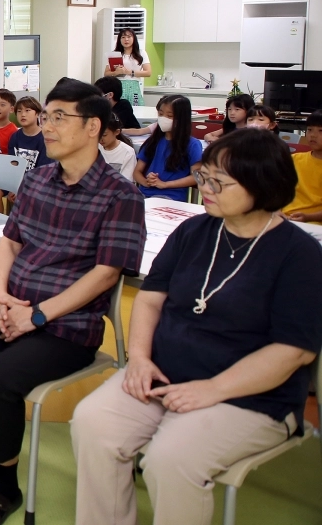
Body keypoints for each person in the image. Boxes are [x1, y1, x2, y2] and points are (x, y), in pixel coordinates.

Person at [0, 79, 144, 525]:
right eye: (46, 116)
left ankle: (2, 483)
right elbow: (10, 243)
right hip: (9, 306)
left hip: (67, 327)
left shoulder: (121, 195)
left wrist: (36, 315)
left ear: (93, 126)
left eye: (59, 118)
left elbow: (106, 273)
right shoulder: (37, 180)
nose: (47, 126)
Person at [71, 129, 321, 525]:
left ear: (263, 185)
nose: (205, 188)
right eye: (204, 176)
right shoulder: (194, 230)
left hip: (250, 397)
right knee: (92, 423)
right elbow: (151, 298)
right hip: (164, 374)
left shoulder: (300, 255)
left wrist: (212, 389)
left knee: (171, 459)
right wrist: (139, 359)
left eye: (219, 182)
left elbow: (293, 351)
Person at [135, 94, 202, 202]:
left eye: (169, 116)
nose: (163, 119)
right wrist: (146, 181)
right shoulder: (153, 141)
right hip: (145, 194)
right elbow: (137, 172)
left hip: (171, 197)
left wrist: (165, 184)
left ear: (181, 119)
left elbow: (196, 176)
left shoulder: (192, 144)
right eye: (161, 114)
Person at [284, 109, 322, 224]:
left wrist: (307, 217)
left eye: (321, 131)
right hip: (284, 218)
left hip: (313, 223)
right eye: (309, 130)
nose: (313, 135)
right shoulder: (294, 159)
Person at [7, 97, 51, 171]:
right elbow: (12, 164)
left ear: (37, 113)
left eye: (27, 110)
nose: (23, 114)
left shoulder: (46, 138)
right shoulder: (15, 137)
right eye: (19, 111)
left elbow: (45, 169)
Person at [99, 114, 136, 182]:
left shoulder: (127, 152)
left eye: (104, 135)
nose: (100, 138)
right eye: (98, 134)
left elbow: (126, 182)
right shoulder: (95, 148)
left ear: (117, 132)